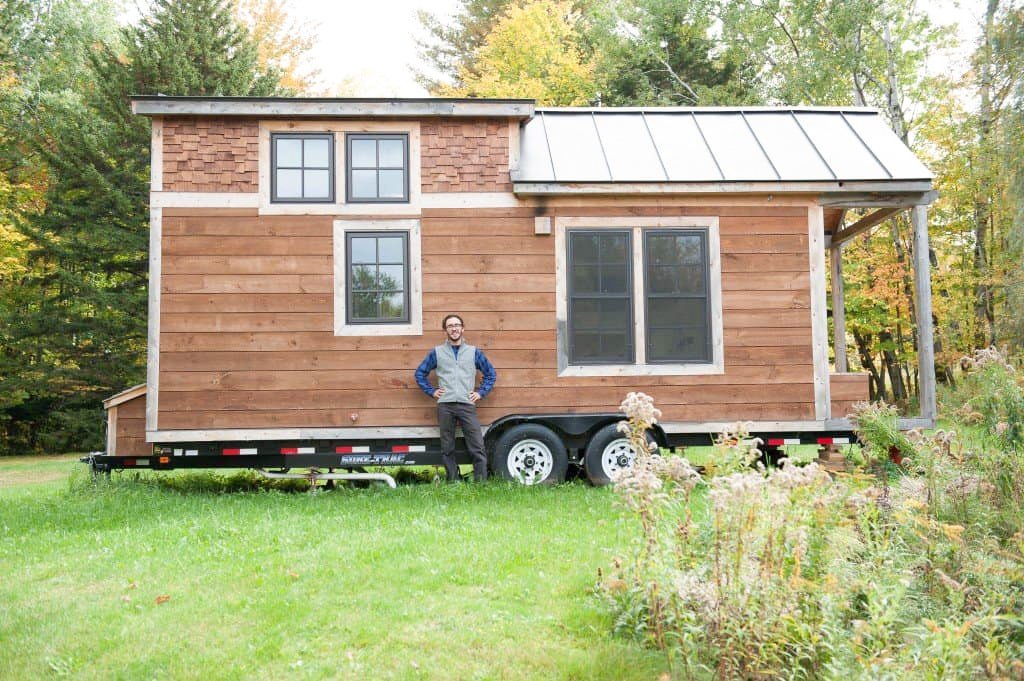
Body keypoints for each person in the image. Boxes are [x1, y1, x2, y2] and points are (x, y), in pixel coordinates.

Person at [414, 314, 497, 482]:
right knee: (447, 446)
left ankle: (481, 482)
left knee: (477, 445)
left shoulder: (474, 352)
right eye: (450, 326)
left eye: (457, 325)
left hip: (467, 404)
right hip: (445, 405)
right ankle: (452, 481)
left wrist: (480, 393)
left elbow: (490, 374)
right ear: (446, 330)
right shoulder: (437, 352)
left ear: (462, 328)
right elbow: (420, 374)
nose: (454, 328)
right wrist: (432, 391)